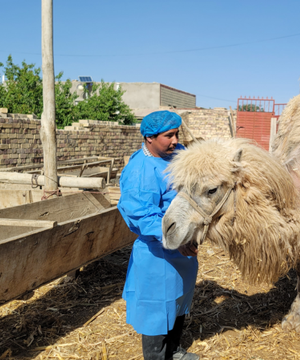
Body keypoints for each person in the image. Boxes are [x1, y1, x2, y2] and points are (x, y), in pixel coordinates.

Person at [118, 110, 200, 360]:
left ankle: (174, 352)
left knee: (177, 302)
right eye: (169, 135)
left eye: (177, 134)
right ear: (149, 138)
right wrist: (177, 240)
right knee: (156, 313)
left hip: (183, 250)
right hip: (158, 253)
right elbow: (142, 215)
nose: (176, 140)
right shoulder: (140, 170)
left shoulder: (177, 155)